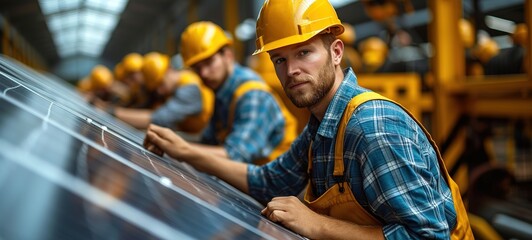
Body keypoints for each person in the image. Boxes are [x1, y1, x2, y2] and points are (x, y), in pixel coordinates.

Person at [144, 1, 473, 239]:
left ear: (336, 52)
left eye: (304, 53)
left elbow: (428, 237)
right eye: (280, 60)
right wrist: (185, 152)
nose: (291, 71)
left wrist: (318, 224)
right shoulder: (322, 124)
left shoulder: (372, 128)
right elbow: (268, 182)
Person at [146, 21, 297, 165]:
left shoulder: (252, 95)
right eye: (197, 68)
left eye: (209, 62)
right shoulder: (221, 92)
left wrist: (180, 149)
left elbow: (235, 154)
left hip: (277, 188)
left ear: (228, 55)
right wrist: (166, 140)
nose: (203, 73)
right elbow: (208, 141)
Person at [99, 52, 214, 135]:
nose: (159, 91)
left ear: (169, 69)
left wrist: (111, 112)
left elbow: (159, 118)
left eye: (161, 84)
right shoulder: (170, 89)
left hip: (203, 139)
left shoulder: (189, 86)